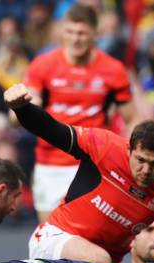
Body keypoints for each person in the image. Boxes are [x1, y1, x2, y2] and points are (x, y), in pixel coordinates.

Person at [5, 83, 154, 263]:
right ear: (130, 149)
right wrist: (22, 108)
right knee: (98, 260)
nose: (145, 170)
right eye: (140, 160)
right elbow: (52, 129)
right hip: (56, 239)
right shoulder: (105, 146)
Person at [24, 4, 136, 223]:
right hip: (51, 162)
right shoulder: (42, 65)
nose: (75, 39)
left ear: (95, 33)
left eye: (82, 33)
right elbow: (30, 109)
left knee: (90, 230)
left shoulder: (113, 70)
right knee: (48, 233)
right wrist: (19, 109)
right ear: (62, 31)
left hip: (92, 161)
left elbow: (131, 117)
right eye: (70, 32)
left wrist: (127, 156)